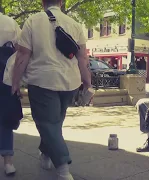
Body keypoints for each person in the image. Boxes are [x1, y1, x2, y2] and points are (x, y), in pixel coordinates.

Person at [11, 0, 92, 179]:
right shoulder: (75, 24)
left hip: (42, 81)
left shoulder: (33, 21)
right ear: (62, 3)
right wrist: (87, 84)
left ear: (42, 3)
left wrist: (15, 82)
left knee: (48, 124)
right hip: (70, 82)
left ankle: (63, 168)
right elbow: (83, 59)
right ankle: (46, 154)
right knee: (55, 123)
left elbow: (23, 55)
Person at [0, 11, 22, 176]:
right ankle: (8, 163)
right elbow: (21, 51)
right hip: (5, 77)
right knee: (6, 119)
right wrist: (17, 81)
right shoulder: (10, 22)